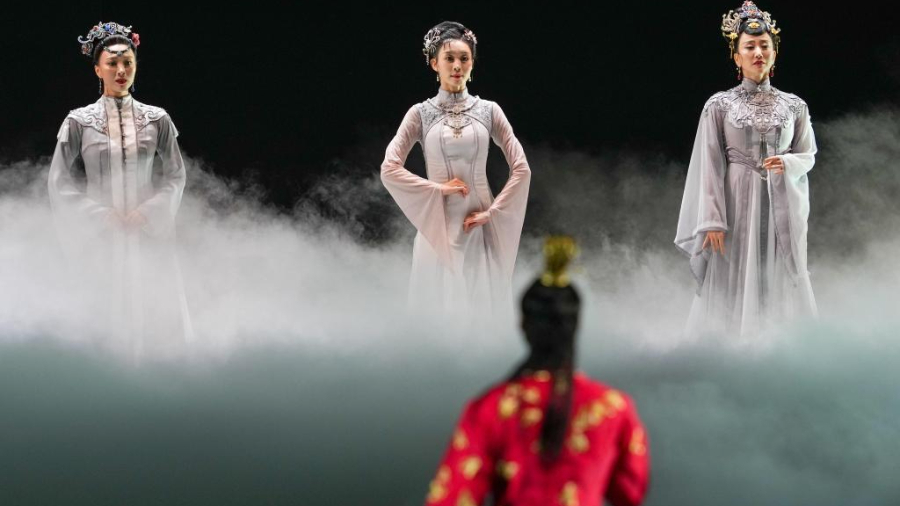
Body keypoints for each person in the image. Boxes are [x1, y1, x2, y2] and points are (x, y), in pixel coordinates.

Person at [423, 237, 650, 506]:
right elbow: (631, 491)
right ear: (576, 326)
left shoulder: (492, 408)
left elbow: (451, 497)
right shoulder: (613, 408)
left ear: (523, 325)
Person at [48, 21, 192, 359]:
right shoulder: (78, 121)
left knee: (153, 303)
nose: (121, 70)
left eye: (127, 62)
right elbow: (58, 181)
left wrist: (150, 211)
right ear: (98, 69)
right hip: (102, 233)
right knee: (99, 308)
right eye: (112, 63)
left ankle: (159, 373)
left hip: (146, 231)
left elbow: (176, 175)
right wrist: (98, 215)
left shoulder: (157, 119)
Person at [675, 2, 817, 336]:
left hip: (781, 199)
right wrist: (712, 219)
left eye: (764, 46)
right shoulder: (719, 105)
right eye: (750, 47)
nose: (758, 53)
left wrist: (787, 162)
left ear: (774, 53)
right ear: (736, 57)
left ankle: (782, 343)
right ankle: (732, 343)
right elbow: (709, 164)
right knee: (735, 267)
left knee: (780, 267)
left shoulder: (795, 105)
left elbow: (808, 154)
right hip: (737, 200)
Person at [381, 21, 531, 320]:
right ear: (434, 63)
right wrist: (437, 188)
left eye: (464, 58)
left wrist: (493, 212)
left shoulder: (490, 111)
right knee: (437, 311)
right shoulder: (420, 113)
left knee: (479, 312)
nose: (457, 65)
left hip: (477, 222)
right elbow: (389, 168)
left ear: (472, 63)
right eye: (449, 58)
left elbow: (521, 168)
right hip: (438, 225)